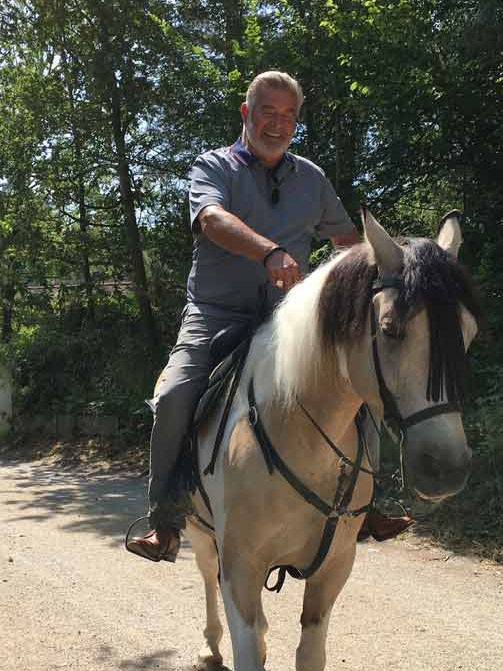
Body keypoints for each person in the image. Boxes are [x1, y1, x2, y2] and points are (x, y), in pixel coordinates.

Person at [127, 71, 411, 564]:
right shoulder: (212, 166)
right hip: (214, 313)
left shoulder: (311, 178)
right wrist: (270, 253)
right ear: (246, 113)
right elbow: (212, 220)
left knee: (359, 380)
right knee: (175, 393)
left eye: (288, 115)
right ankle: (165, 519)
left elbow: (347, 242)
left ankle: (368, 503)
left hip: (288, 321)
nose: (277, 124)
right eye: (267, 111)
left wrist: (395, 262)